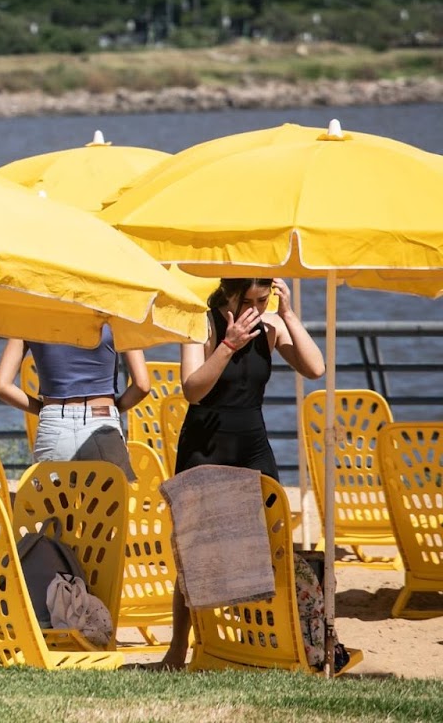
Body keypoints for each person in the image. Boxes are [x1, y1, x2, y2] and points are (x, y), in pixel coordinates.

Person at [159, 276, 325, 669]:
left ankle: (256, 638)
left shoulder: (272, 325)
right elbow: (193, 389)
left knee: (266, 543)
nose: (258, 307)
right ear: (230, 293)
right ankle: (178, 648)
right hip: (206, 440)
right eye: (250, 299)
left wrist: (288, 315)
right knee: (195, 549)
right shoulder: (199, 323)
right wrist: (229, 344)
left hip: (251, 440)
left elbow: (315, 368)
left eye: (264, 298)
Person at [0, 327, 151, 467]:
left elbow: (2, 387)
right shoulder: (117, 316)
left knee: (55, 500)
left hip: (54, 424)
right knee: (104, 499)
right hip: (102, 421)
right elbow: (142, 385)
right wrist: (113, 409)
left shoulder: (30, 318)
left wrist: (44, 410)